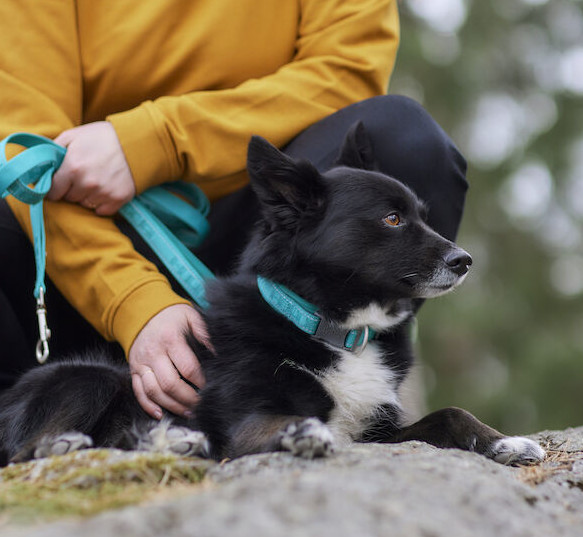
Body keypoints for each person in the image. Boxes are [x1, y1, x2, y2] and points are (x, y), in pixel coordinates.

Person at [0, 1, 467, 419]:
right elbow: (25, 156)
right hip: (81, 269)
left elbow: (347, 71)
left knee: (405, 141)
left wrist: (156, 141)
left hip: (268, 266)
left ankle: (349, 402)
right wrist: (134, 302)